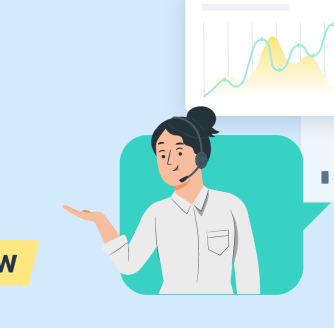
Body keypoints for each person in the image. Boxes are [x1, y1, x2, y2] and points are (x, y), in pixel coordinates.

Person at [63, 106, 259, 294]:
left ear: (201, 157)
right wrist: (100, 221)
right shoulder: (157, 213)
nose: (169, 162)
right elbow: (129, 264)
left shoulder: (231, 206)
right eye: (162, 153)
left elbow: (246, 269)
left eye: (179, 152)